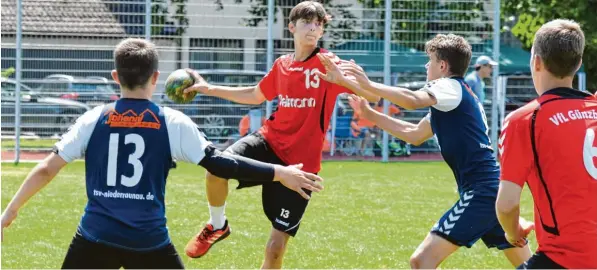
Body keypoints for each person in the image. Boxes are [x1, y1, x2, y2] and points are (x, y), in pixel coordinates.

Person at [0, 38, 324, 269]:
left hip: (95, 236)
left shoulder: (92, 118)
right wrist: (280, 172)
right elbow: (221, 164)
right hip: (148, 241)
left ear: (115, 77)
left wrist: (9, 212)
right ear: (157, 78)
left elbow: (46, 168)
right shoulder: (172, 122)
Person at [182, 1, 379, 268]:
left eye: (318, 23)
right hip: (268, 142)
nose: (313, 27)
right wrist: (209, 88)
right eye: (307, 21)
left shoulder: (329, 63)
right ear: (291, 27)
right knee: (216, 168)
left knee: (275, 250)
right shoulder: (282, 64)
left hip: (301, 166)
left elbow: (372, 95)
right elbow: (255, 94)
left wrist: (342, 81)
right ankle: (217, 224)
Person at [315, 33, 532, 268]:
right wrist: (370, 115)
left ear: (442, 65)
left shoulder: (448, 86)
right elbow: (414, 134)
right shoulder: (455, 96)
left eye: (430, 60)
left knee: (421, 261)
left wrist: (367, 84)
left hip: (481, 193)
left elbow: (411, 99)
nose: (426, 66)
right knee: (528, 266)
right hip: (490, 190)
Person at [496, 19, 597, 269]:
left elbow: (507, 205)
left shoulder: (525, 120)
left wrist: (512, 233)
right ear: (579, 64)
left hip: (567, 258)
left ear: (536, 61)